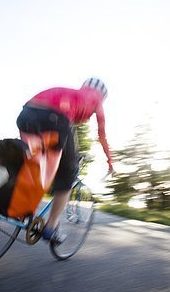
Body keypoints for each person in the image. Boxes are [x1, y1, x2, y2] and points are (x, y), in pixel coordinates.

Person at [16, 78, 113, 242]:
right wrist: (109, 161)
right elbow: (101, 135)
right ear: (102, 96)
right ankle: (51, 228)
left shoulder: (72, 94)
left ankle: (20, 207)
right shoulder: (97, 102)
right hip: (54, 119)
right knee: (67, 175)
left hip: (26, 114)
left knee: (34, 159)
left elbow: (69, 125)